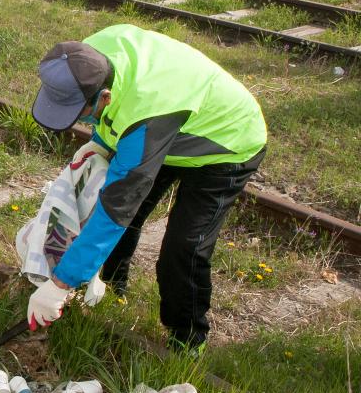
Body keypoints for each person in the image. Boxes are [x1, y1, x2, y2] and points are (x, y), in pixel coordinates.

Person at [27, 24, 267, 349]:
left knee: (184, 248)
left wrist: (61, 283)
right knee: (127, 218)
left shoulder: (145, 114)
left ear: (105, 97)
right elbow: (112, 118)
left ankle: (187, 340)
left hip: (224, 141)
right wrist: (99, 142)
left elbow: (115, 209)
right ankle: (112, 290)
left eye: (80, 115)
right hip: (170, 123)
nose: (79, 121)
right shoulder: (85, 59)